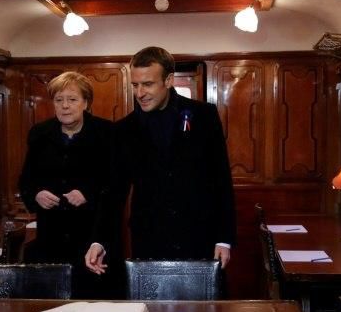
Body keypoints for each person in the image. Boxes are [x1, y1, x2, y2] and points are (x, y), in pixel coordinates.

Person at [85, 46, 236, 275]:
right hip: (149, 241)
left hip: (199, 239)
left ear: (168, 80)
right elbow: (114, 192)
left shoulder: (204, 116)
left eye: (148, 84)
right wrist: (99, 240)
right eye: (135, 85)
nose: (140, 93)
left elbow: (221, 181)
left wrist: (224, 239)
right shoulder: (124, 130)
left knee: (203, 310)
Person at [19, 71, 112, 298]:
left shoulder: (106, 133)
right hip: (50, 237)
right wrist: (37, 194)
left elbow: (114, 183)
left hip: (90, 236)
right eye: (59, 100)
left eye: (72, 99)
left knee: (90, 302)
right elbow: (26, 180)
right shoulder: (39, 134)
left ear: (86, 103)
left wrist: (88, 193)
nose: (65, 106)